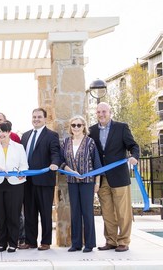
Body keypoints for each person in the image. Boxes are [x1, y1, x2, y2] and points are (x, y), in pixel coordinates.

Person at [89, 102, 139, 252]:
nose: (101, 114)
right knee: (108, 213)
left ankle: (123, 241)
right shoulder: (91, 130)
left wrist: (135, 156)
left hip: (119, 177)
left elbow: (133, 146)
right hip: (102, 178)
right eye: (98, 112)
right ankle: (111, 240)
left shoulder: (121, 127)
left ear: (110, 112)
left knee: (123, 212)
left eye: (104, 111)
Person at [19, 108, 61, 251]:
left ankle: (46, 241)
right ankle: (31, 241)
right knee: (29, 213)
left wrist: (55, 163)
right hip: (27, 181)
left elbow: (56, 153)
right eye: (34, 117)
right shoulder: (25, 136)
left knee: (45, 213)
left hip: (44, 181)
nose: (36, 119)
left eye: (39, 117)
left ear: (45, 119)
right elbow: (21, 156)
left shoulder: (51, 135)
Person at [61, 115, 102, 253]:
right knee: (75, 212)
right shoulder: (66, 142)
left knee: (87, 212)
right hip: (72, 182)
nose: (76, 128)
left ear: (84, 127)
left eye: (79, 125)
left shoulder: (90, 142)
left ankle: (89, 244)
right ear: (70, 127)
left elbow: (97, 164)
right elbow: (62, 162)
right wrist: (71, 171)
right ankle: (76, 243)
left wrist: (97, 182)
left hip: (88, 182)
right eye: (74, 125)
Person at [0, 122, 28, 253]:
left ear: (10, 132)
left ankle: (13, 243)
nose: (1, 134)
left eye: (4, 131)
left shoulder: (19, 147)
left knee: (13, 214)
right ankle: (1, 242)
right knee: (0, 214)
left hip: (15, 184)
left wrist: (21, 173)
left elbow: (24, 165)